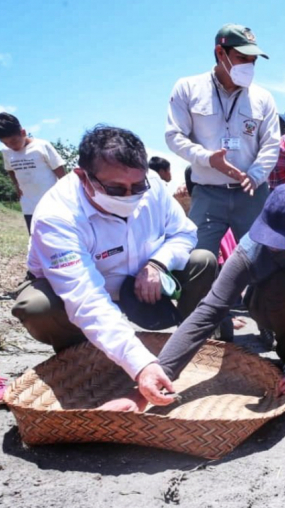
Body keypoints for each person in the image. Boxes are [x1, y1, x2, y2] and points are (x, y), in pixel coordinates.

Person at [124, 184, 285, 410]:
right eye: (269, 235)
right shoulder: (249, 249)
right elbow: (208, 311)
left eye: (283, 241)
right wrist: (163, 372)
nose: (272, 245)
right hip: (274, 306)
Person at [11, 126, 216, 392]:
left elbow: (184, 234)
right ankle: (80, 358)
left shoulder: (154, 186)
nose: (130, 196)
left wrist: (157, 263)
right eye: (116, 189)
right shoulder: (57, 215)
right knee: (37, 306)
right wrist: (141, 364)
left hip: (141, 283)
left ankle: (191, 346)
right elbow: (84, 298)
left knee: (202, 260)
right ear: (83, 177)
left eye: (137, 186)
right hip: (76, 291)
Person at [165, 23, 281, 257]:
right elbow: (174, 135)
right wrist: (208, 159)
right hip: (207, 194)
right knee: (197, 259)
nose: (249, 66)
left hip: (252, 194)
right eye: (242, 58)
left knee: (263, 261)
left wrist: (254, 176)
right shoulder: (188, 88)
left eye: (253, 61)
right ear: (220, 53)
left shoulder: (263, 98)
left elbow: (271, 144)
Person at [0, 112, 67, 234]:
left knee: (57, 236)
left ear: (23, 133)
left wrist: (67, 191)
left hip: (52, 202)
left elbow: (58, 168)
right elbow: (10, 169)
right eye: (6, 143)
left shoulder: (41, 146)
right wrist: (16, 185)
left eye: (14, 141)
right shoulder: (7, 152)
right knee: (35, 236)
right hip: (29, 204)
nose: (11, 146)